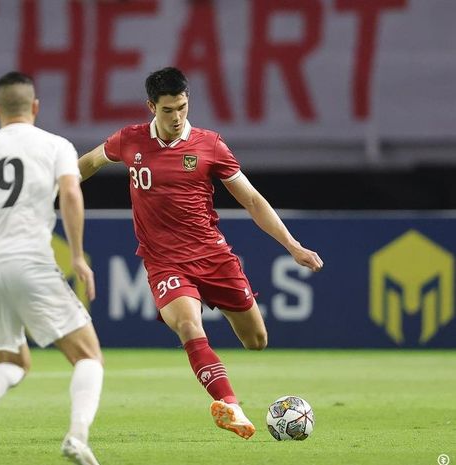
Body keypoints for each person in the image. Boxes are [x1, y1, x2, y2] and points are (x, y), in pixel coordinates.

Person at [78, 67, 323, 440]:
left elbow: (253, 200)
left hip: (214, 257)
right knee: (189, 326)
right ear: (151, 107)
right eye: (167, 110)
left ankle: (220, 369)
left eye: (182, 107)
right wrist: (52, 185)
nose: (176, 118)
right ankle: (231, 406)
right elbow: (91, 162)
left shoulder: (210, 145)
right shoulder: (129, 140)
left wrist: (292, 246)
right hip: (164, 261)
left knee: (256, 341)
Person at [0, 71, 103, 465]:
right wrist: (77, 256)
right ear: (35, 107)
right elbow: (70, 192)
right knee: (88, 356)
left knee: (15, 361)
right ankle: (77, 436)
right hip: (31, 260)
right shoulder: (56, 146)